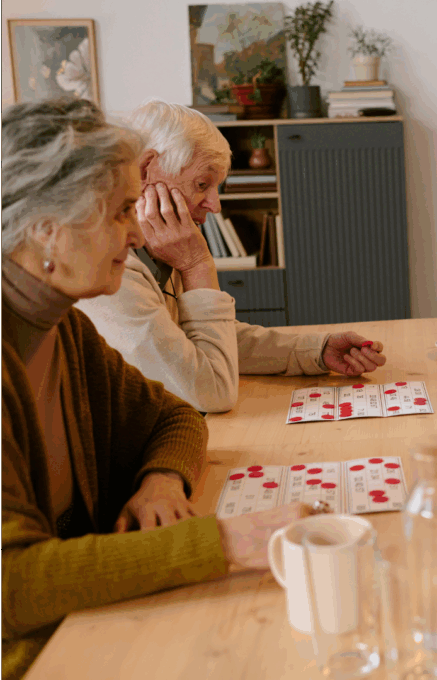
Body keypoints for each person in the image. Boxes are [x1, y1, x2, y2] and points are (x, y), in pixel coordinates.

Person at [1, 99, 307, 680]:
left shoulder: (61, 327)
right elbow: (12, 584)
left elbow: (176, 418)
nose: (137, 231)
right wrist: (223, 542)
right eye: (119, 212)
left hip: (90, 623)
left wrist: (161, 479)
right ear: (45, 228)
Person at [74, 100, 386, 413]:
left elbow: (200, 342)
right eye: (202, 184)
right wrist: (197, 267)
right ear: (146, 169)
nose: (215, 205)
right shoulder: (112, 272)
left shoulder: (151, 249)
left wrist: (317, 350)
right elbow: (212, 392)